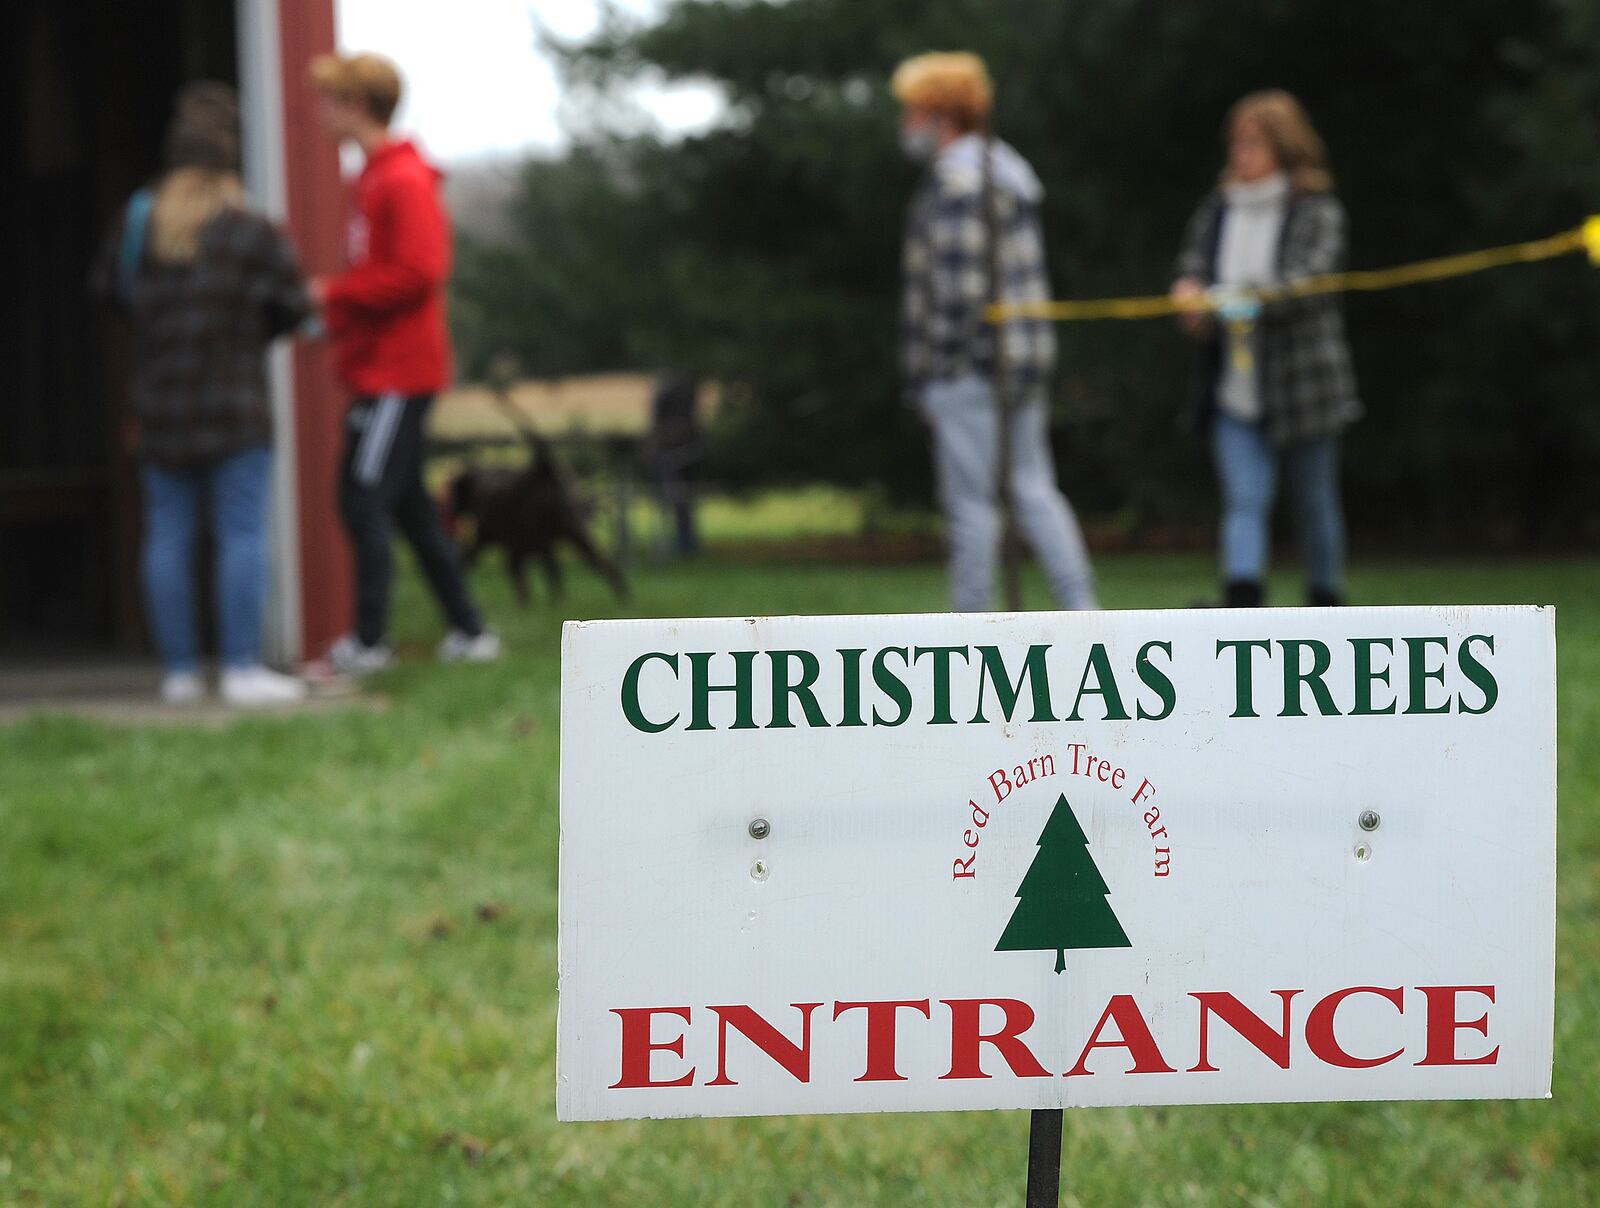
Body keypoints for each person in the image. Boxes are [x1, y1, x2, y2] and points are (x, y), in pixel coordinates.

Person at [93, 82, 310, 706]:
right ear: (230, 157)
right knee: (241, 533)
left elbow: (106, 295)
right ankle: (242, 668)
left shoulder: (140, 223)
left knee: (167, 535)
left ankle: (181, 673)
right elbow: (292, 307)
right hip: (237, 408)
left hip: (161, 407)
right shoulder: (250, 229)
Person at [307, 52, 499, 672]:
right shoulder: (371, 178)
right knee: (409, 506)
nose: (320, 112)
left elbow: (419, 273)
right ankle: (470, 631)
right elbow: (378, 273)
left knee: (362, 496)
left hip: (399, 373)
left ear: (357, 106)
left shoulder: (401, 180)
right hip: (377, 369)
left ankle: (368, 642)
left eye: (329, 100)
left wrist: (333, 293)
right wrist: (334, 317)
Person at [893, 53, 1098, 614]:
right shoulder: (1006, 171)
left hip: (971, 367)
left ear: (940, 114)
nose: (905, 125)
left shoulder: (959, 181)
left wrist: (935, 374)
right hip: (1023, 358)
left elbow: (960, 294)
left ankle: (970, 632)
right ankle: (1088, 618)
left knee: (971, 504)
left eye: (911, 112)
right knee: (1034, 489)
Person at [1171, 90, 1361, 608]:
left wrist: (1241, 301)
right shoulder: (1218, 209)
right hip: (1235, 385)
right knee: (1245, 499)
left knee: (1314, 501)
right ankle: (1242, 607)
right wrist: (1190, 294)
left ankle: (1326, 606)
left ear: (1284, 146)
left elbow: (1308, 281)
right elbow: (1193, 266)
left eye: (1253, 143)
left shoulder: (1315, 210)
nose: (1241, 154)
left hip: (1305, 385)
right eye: (1236, 143)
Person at [649, 371, 702, 557]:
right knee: (680, 500)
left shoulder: (670, 390)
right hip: (678, 452)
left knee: (678, 500)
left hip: (674, 453)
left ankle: (681, 544)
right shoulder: (686, 389)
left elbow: (657, 421)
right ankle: (682, 543)